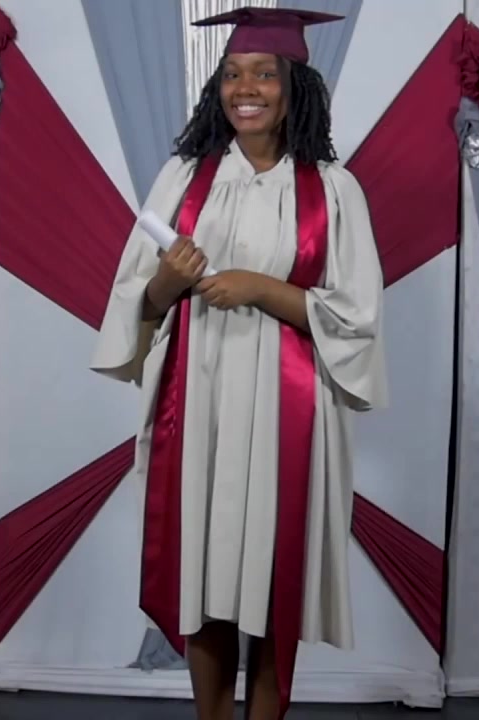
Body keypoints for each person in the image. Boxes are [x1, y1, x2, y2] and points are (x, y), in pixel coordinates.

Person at [91, 8, 387, 719]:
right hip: (198, 400)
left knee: (272, 576)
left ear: (295, 87)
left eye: (263, 74)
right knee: (204, 571)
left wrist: (261, 288)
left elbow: (357, 317)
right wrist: (169, 280)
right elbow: (138, 299)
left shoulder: (334, 190)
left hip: (291, 409)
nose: (244, 88)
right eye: (231, 74)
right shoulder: (184, 178)